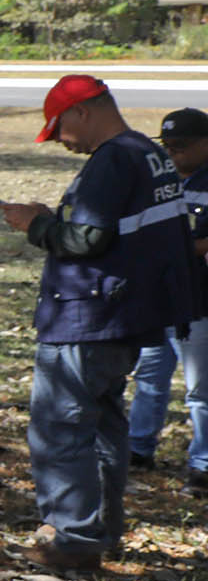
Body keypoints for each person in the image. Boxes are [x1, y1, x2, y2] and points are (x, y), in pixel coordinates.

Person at [0, 74, 196, 572]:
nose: (62, 141)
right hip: (127, 316)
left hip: (88, 314)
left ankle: (71, 539)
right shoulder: (148, 154)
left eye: (59, 128)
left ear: (82, 111)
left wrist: (35, 225)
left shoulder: (112, 158)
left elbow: (87, 240)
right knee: (104, 426)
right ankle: (101, 529)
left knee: (60, 428)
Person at [123, 106, 208, 494]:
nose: (174, 153)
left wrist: (178, 249)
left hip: (200, 301)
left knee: (199, 388)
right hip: (161, 299)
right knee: (149, 378)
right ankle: (138, 447)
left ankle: (202, 463)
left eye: (183, 146)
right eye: (168, 146)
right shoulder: (163, 179)